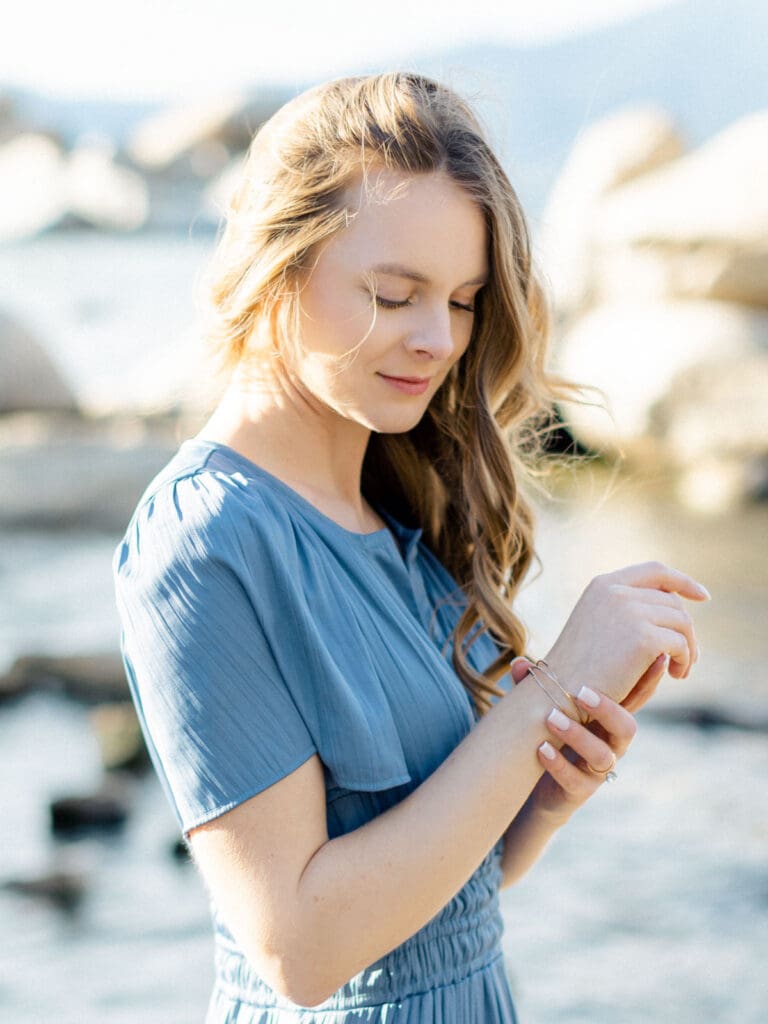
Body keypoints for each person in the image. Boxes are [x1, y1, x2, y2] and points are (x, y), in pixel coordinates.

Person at [112, 72, 709, 1023]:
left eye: (465, 302)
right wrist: (544, 695)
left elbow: (438, 897)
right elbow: (301, 951)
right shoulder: (204, 540)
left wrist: (547, 785)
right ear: (280, 263)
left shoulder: (393, 512)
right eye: (395, 295)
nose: (437, 339)